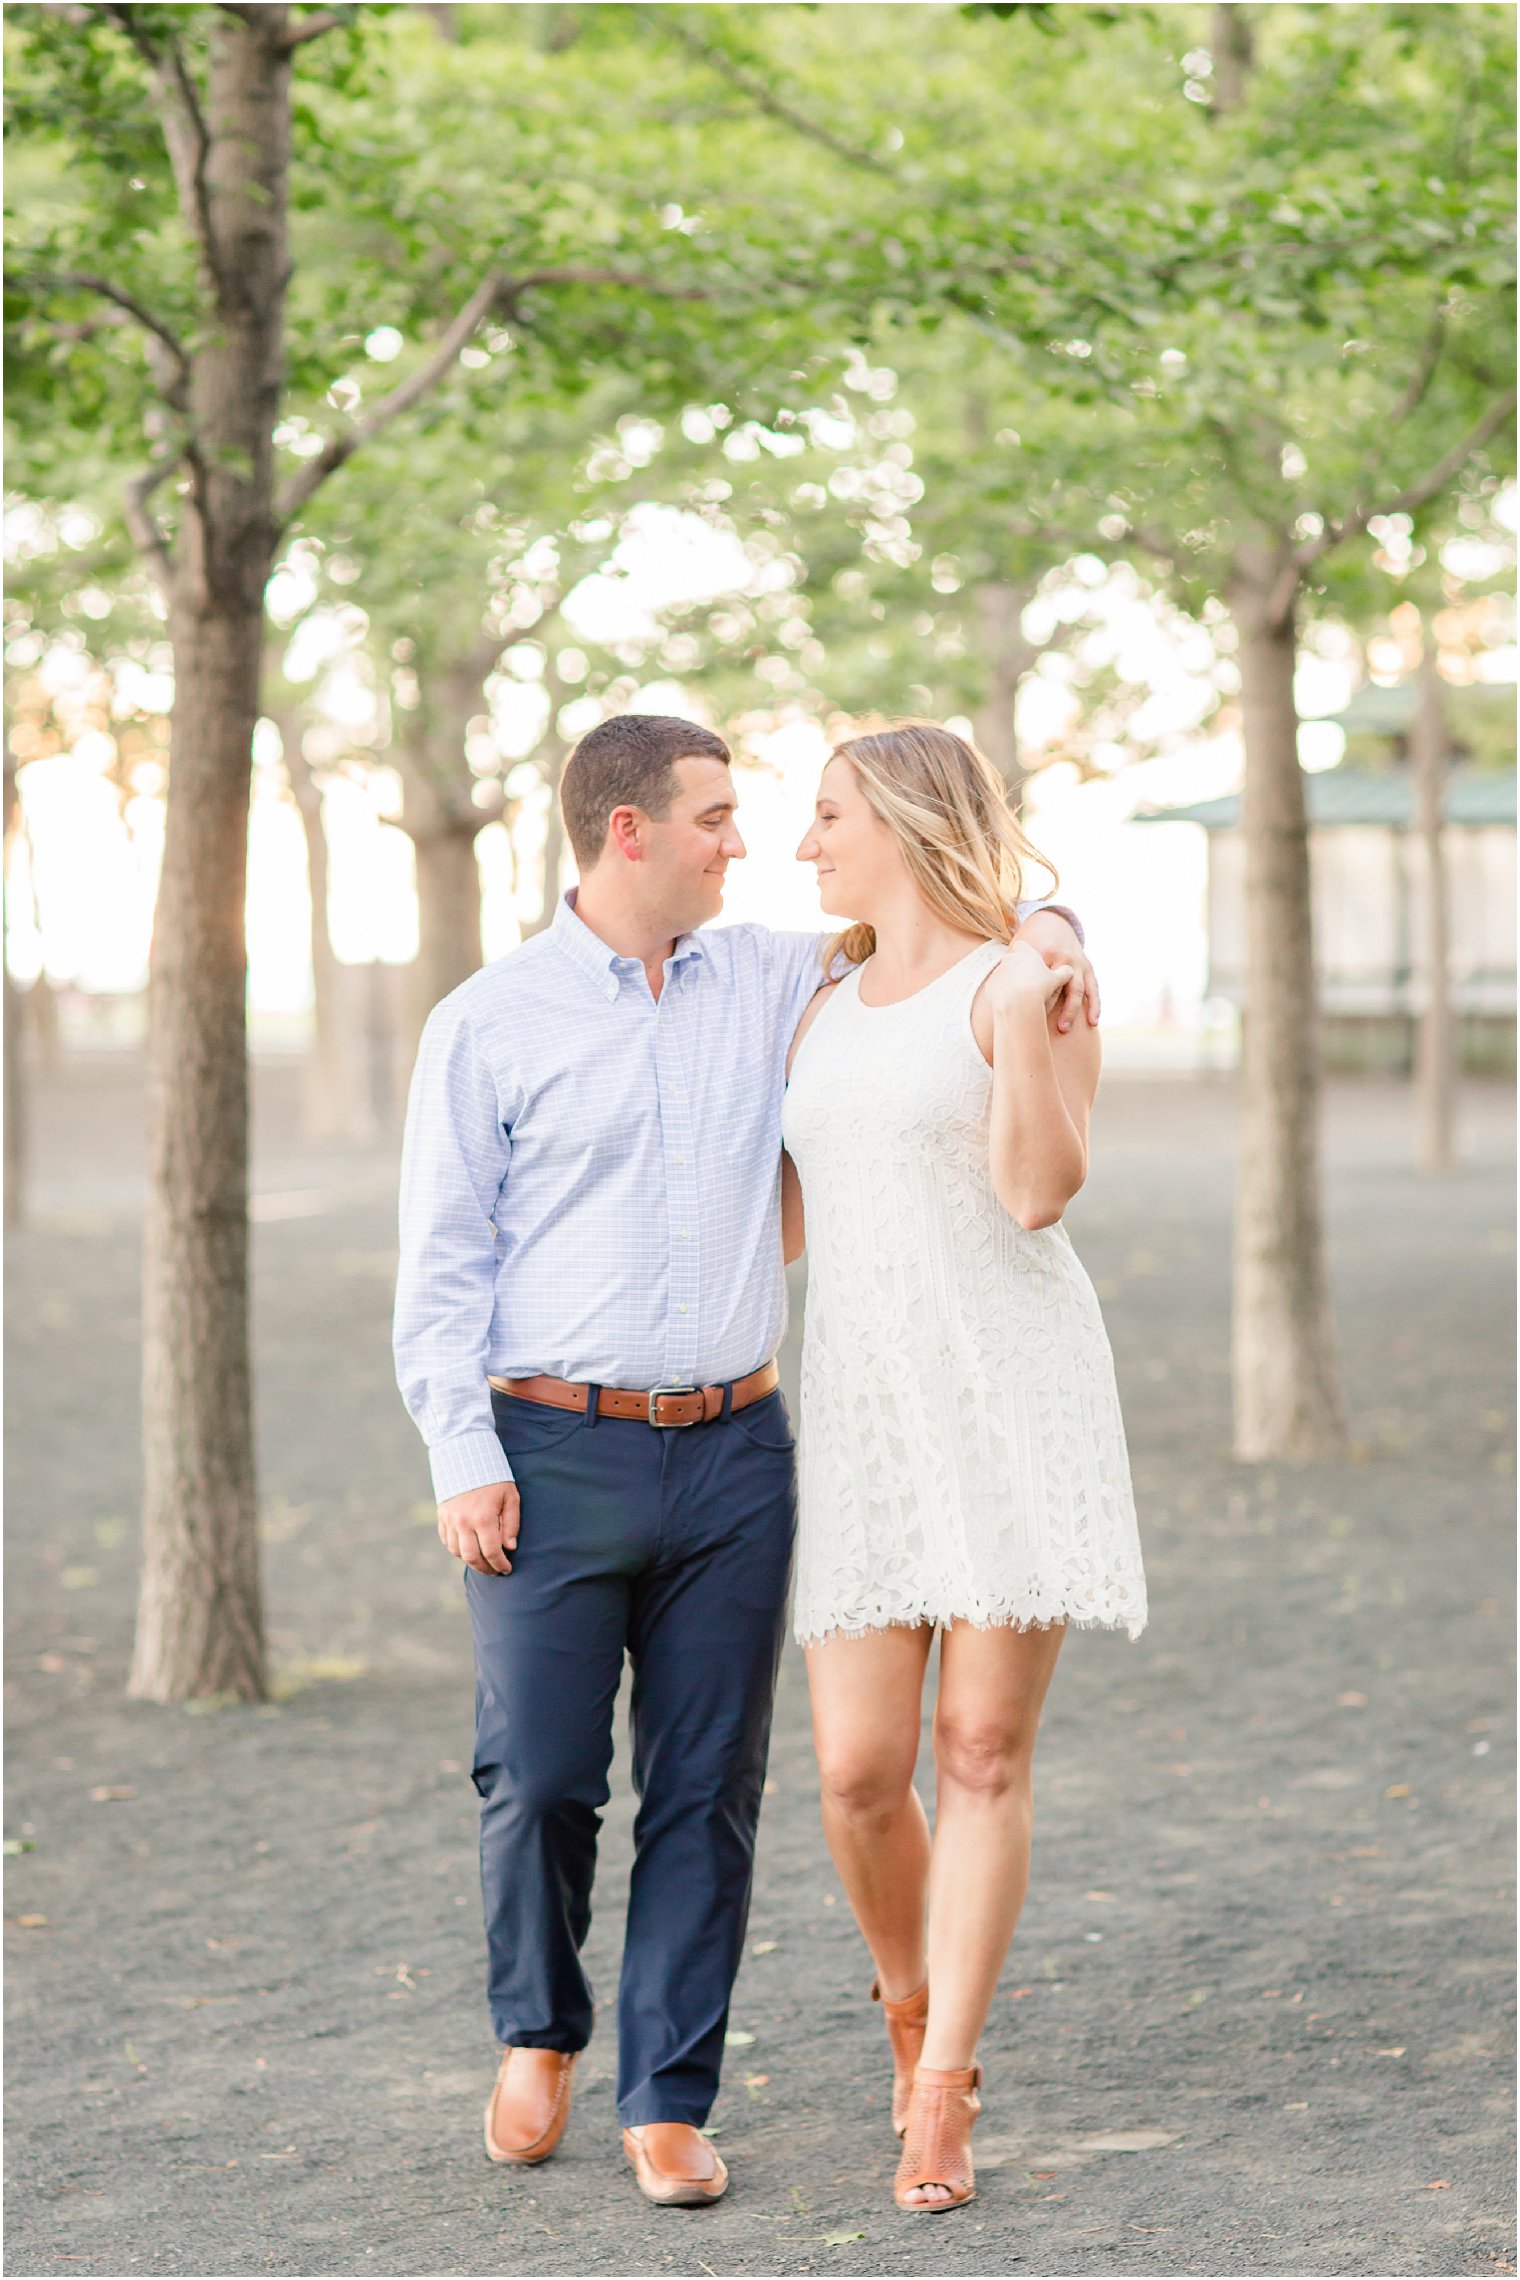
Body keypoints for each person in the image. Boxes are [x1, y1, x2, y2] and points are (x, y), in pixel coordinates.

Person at [392, 713, 1096, 2206]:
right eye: (716, 816)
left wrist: (1054, 918)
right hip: (547, 1441)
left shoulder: (782, 975)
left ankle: (668, 2095)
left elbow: (962, 936)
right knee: (540, 1770)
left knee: (712, 1783)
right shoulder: (490, 1020)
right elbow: (444, 1261)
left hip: (738, 1447)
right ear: (629, 830)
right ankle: (539, 2029)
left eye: (771, 814)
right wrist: (465, 1450)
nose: (753, 843)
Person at [781, 721, 1146, 2215]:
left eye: (826, 816)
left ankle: (944, 2087)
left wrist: (1039, 1012)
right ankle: (908, 2002)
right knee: (858, 1774)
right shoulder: (812, 999)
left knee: (981, 1754)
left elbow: (1036, 1190)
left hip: (1010, 1395)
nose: (805, 844)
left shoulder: (1018, 984)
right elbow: (792, 1214)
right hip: (866, 1407)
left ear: (909, 821)